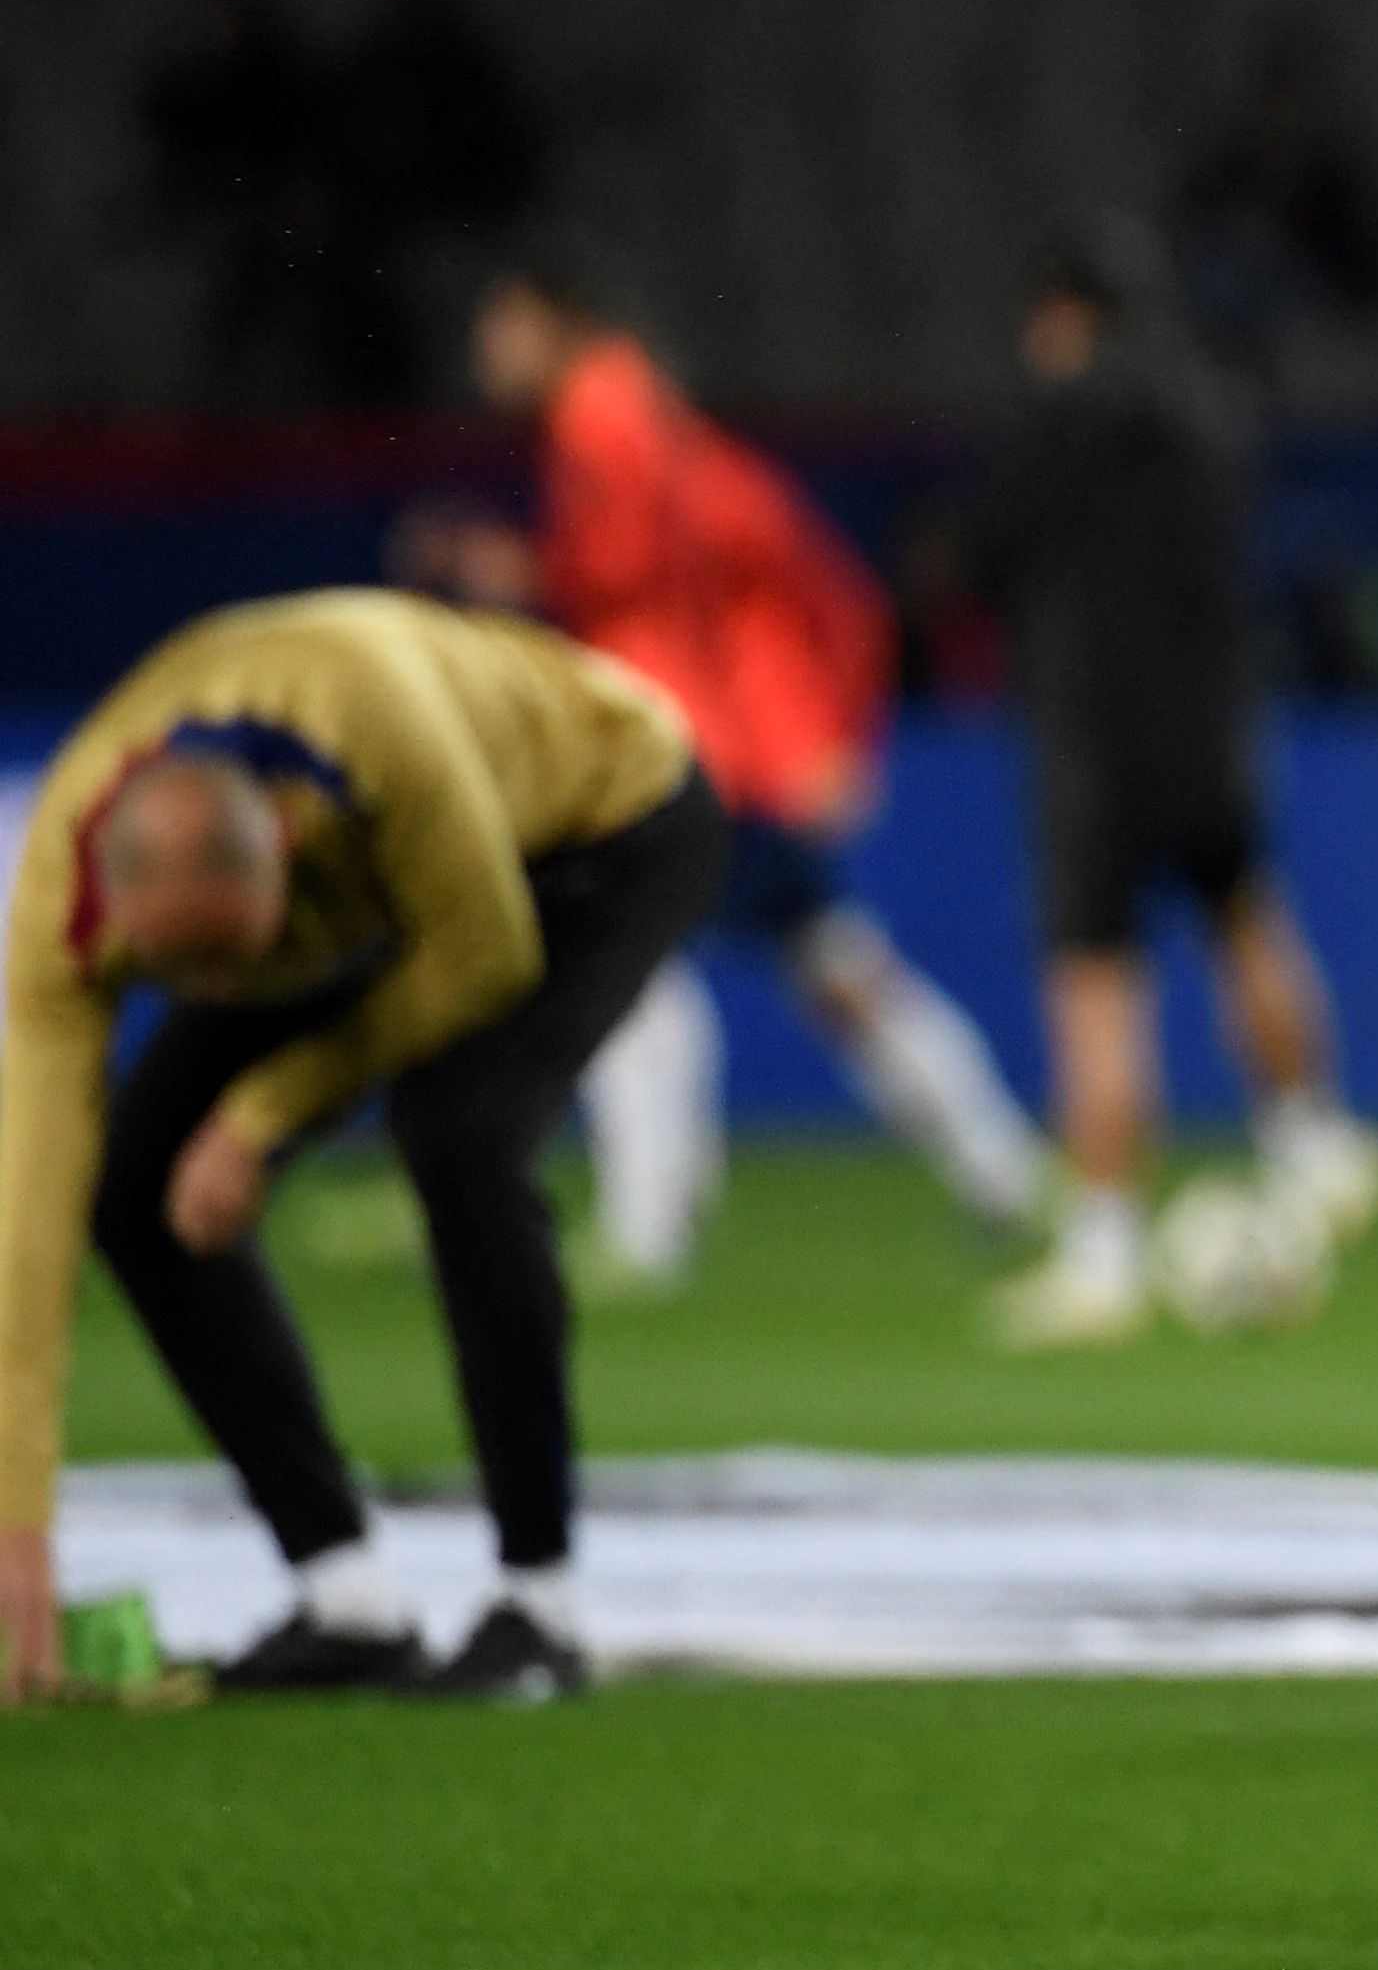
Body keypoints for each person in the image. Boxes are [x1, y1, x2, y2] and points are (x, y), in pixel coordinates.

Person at [0, 591, 725, 1703]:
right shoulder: (61, 901)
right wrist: (17, 1518)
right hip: (370, 880)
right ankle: (346, 1599)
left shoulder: (380, 739)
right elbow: (30, 1201)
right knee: (136, 1182)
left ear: (282, 848)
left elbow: (484, 955)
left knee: (461, 1134)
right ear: (113, 893)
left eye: (236, 960)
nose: (214, 1000)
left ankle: (541, 1604)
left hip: (603, 819)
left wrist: (266, 1110)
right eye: (179, 975)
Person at [458, 264, 1045, 1289]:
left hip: (689, 757)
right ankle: (997, 1159)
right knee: (830, 970)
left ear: (562, 324)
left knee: (638, 976)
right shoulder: (690, 456)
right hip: (730, 760)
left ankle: (656, 1217)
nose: (486, 349)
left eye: (502, 323)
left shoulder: (613, 429)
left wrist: (519, 574)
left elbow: (637, 572)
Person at [963, 224, 1378, 1347]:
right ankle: (1312, 1135)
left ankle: (1102, 1254)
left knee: (1098, 986)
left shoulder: (1055, 417)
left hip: (1091, 738)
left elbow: (979, 559)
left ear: (1059, 314)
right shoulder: (1210, 410)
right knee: (1246, 914)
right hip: (1207, 724)